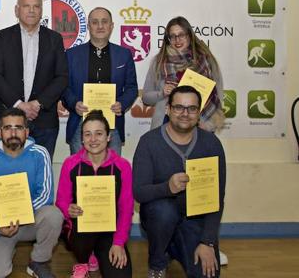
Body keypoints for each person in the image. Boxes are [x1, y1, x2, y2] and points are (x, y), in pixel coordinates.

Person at [133, 86, 226, 278]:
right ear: (168, 109)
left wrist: (208, 242)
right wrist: (167, 187)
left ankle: (176, 249)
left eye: (192, 108)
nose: (185, 114)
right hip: (159, 217)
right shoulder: (149, 142)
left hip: (195, 220)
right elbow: (139, 192)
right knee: (164, 212)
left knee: (208, 274)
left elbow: (217, 197)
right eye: (179, 107)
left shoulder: (211, 144)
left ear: (199, 112)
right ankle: (158, 261)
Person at [0, 107, 63, 278]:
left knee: (53, 215)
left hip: (31, 220)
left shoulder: (40, 153)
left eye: (19, 127)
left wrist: (20, 213)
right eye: (8, 128)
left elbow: (45, 194)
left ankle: (39, 261)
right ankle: (6, 248)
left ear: (27, 131)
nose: (13, 132)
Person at [0, 0, 68, 159]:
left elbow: (61, 77)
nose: (31, 10)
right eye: (26, 6)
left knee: (40, 173)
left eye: (36, 6)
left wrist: (38, 103)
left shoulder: (55, 39)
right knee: (9, 178)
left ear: (41, 11)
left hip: (44, 121)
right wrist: (19, 105)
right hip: (9, 120)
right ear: (17, 10)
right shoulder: (2, 37)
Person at [56, 110, 133, 278]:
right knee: (81, 227)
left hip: (109, 230)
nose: (93, 139)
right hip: (80, 230)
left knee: (120, 275)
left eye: (99, 134)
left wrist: (119, 243)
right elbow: (61, 201)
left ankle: (99, 253)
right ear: (82, 139)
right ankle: (83, 260)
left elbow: (126, 208)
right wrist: (68, 209)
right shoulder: (70, 164)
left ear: (108, 137)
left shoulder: (123, 166)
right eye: (88, 134)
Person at [62, 7, 138, 155]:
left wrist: (122, 104)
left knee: (111, 174)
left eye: (104, 22)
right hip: (80, 124)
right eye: (95, 22)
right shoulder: (71, 55)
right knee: (80, 173)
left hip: (112, 126)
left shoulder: (124, 54)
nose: (100, 26)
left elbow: (132, 88)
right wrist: (74, 103)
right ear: (89, 26)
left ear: (111, 26)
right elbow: (64, 87)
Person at [142, 16, 224, 132]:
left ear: (189, 36)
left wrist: (208, 125)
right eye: (173, 36)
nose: (177, 40)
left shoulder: (206, 60)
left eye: (181, 35)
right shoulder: (159, 62)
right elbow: (146, 98)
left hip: (200, 125)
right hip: (165, 125)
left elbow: (218, 94)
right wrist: (162, 93)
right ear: (168, 39)